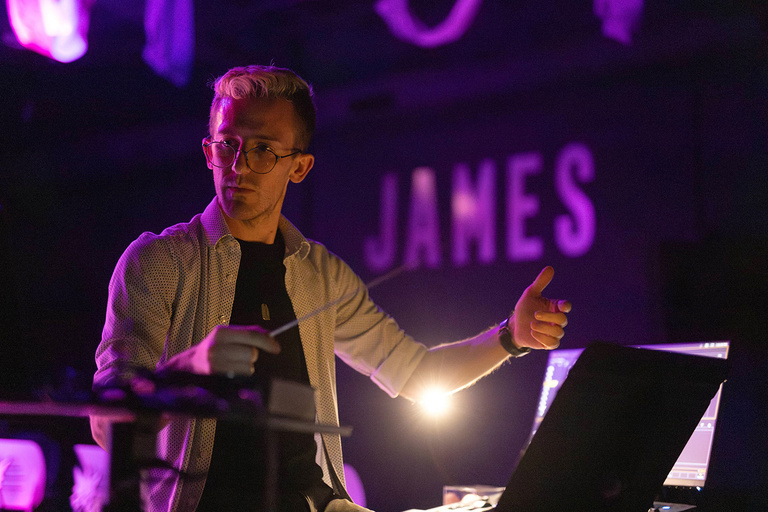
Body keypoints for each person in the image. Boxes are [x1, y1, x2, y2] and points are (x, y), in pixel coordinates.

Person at [91, 65, 571, 512]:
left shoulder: (320, 274)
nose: (238, 166)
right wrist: (189, 368)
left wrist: (511, 338)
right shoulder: (159, 261)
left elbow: (417, 372)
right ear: (208, 151)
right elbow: (105, 424)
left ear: (298, 167)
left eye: (261, 149)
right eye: (226, 145)